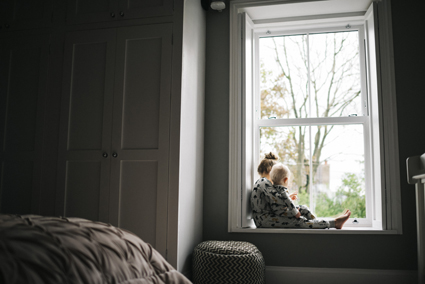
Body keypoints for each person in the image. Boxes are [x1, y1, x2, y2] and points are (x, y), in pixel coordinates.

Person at [250, 153, 351, 229]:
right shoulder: (263, 182)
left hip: (270, 216)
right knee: (298, 221)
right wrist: (288, 203)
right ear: (271, 171)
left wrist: (288, 199)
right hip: (264, 220)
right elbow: (277, 200)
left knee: (303, 208)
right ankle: (333, 223)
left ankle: (318, 223)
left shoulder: (266, 185)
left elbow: (274, 201)